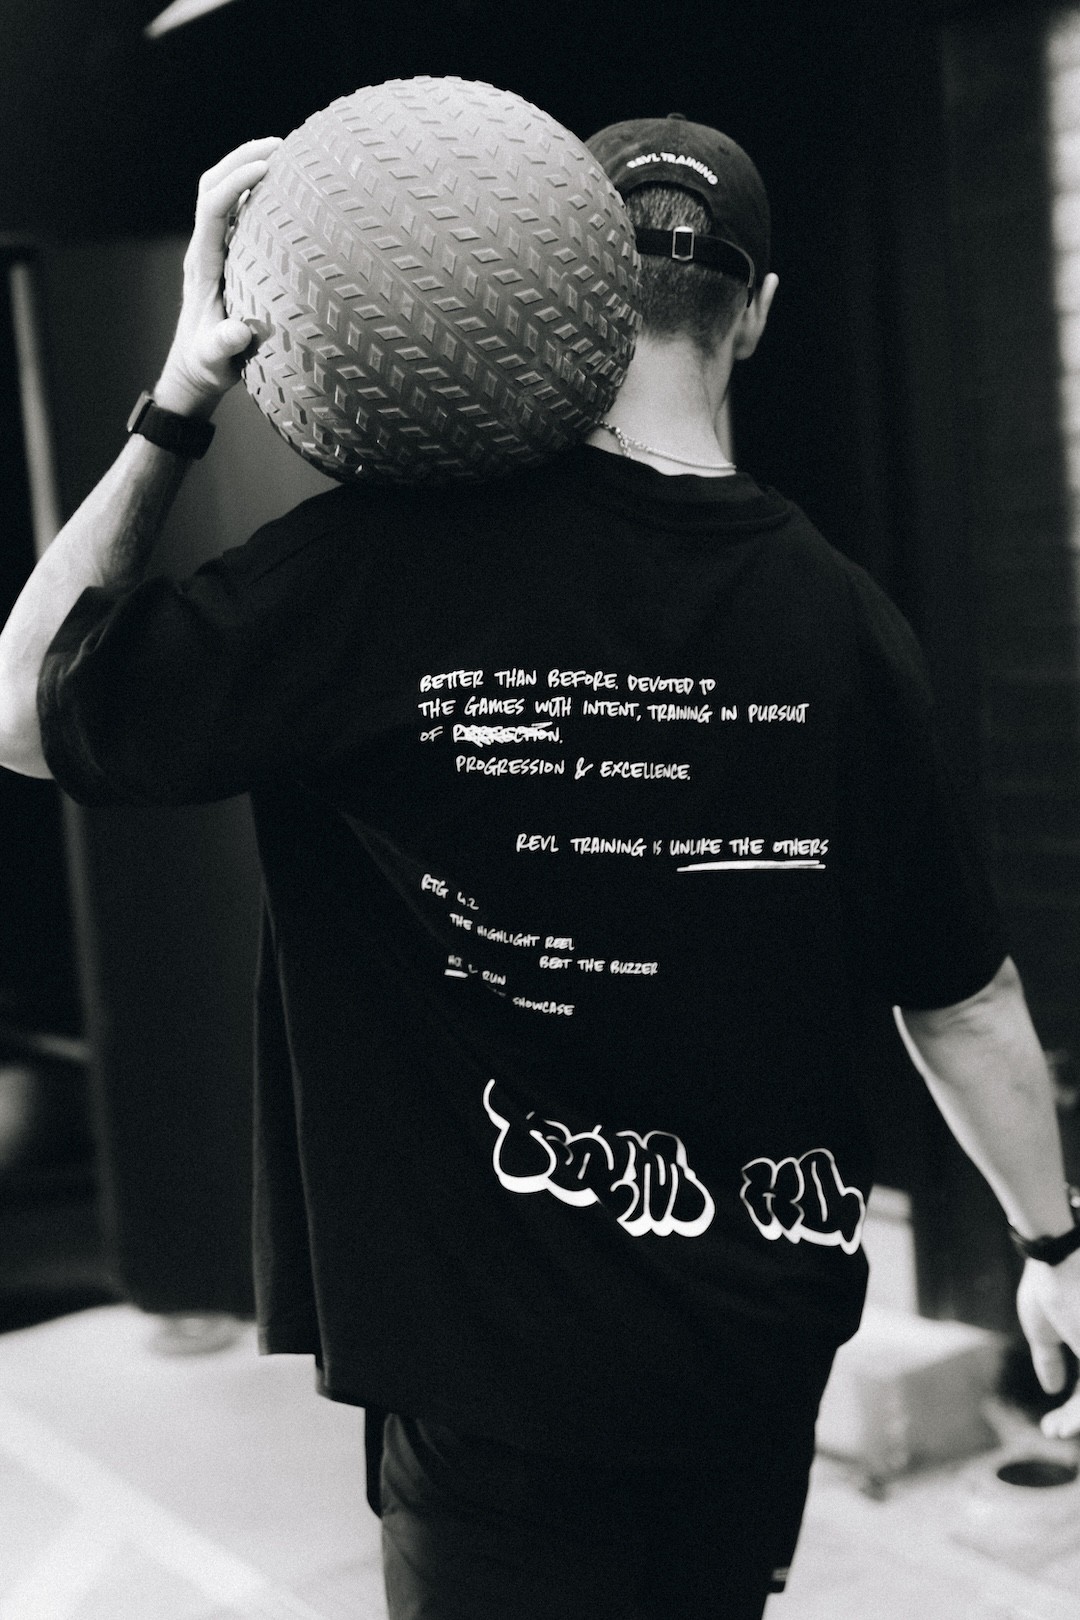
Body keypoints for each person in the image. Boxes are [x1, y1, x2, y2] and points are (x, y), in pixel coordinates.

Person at [1, 113, 1079, 1620]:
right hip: (754, 1348)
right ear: (758, 313)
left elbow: (27, 710)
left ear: (551, 276)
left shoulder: (377, 567)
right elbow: (961, 1000)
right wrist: (1052, 1245)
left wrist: (182, 391)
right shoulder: (845, 622)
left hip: (492, 1387)